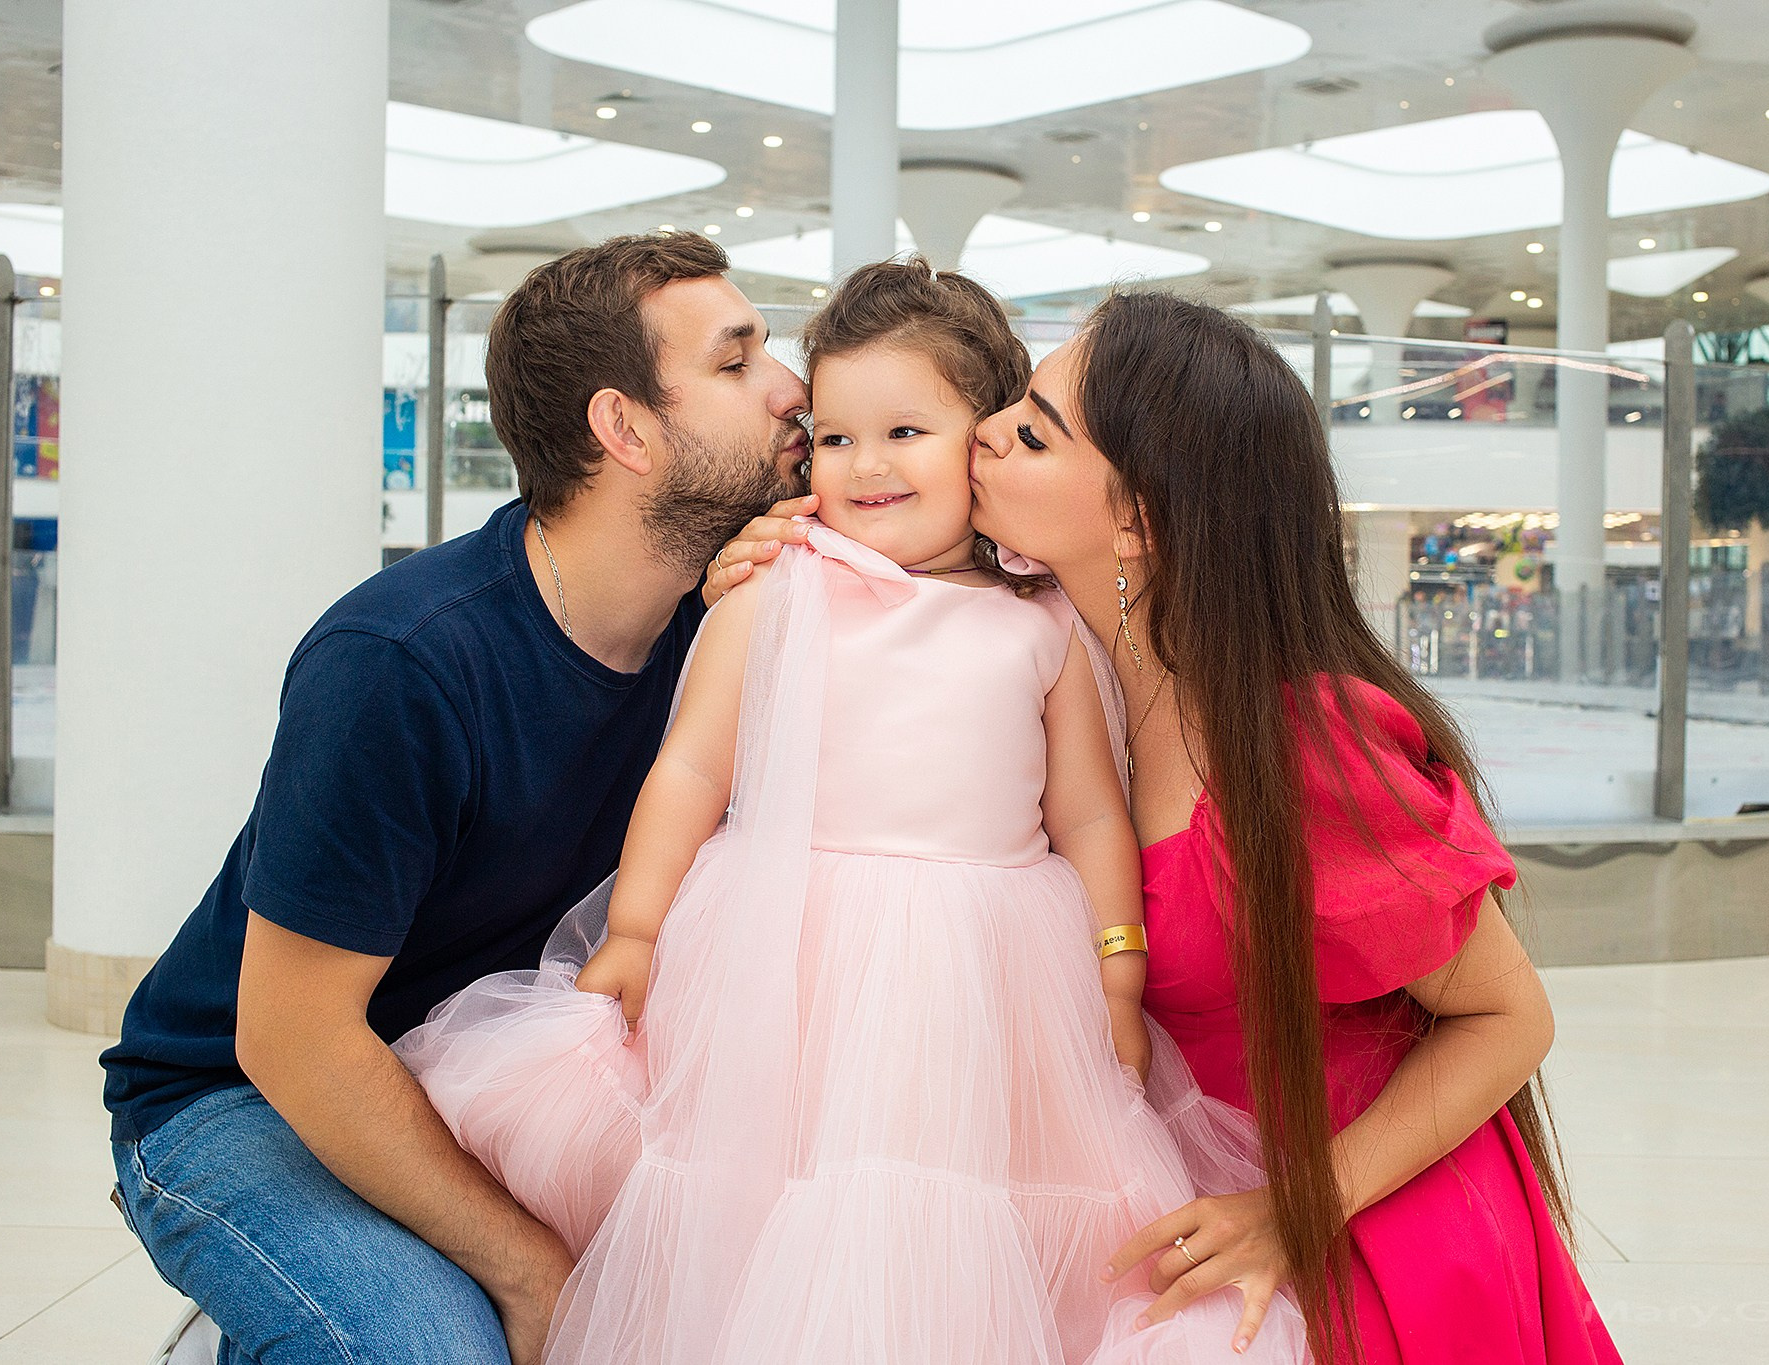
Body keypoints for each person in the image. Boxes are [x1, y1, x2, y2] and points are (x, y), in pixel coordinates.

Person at [394, 259, 1310, 1364]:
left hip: (985, 978)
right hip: (783, 968)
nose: (864, 464)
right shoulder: (777, 583)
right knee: (769, 1221)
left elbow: (1091, 819)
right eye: (833, 438)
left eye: (905, 432)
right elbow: (690, 770)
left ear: (979, 441)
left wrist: (1116, 969)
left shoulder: (1040, 621)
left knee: (966, 1219)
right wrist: (635, 928)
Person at [100, 232, 813, 1365]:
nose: (791, 391)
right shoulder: (401, 660)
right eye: (737, 364)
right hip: (244, 1098)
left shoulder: (720, 634)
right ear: (623, 429)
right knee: (436, 1350)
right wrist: (526, 1266)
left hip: (488, 1082)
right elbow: (293, 1040)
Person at [960, 292, 1617, 1363]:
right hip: (1196, 1223)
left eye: (1031, 431)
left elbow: (1508, 1017)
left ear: (1134, 520)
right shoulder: (1057, 670)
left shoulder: (1303, 746)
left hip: (1364, 1245)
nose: (985, 431)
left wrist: (1297, 1208)